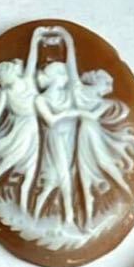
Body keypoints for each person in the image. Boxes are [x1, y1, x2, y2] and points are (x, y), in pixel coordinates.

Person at [0, 28, 42, 210]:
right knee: (15, 158)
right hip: (23, 128)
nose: (3, 79)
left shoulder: (28, 80)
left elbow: (32, 60)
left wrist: (35, 38)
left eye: (4, 75)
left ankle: (24, 204)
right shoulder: (5, 93)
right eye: (2, 78)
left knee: (32, 166)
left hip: (36, 129)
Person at [70, 69, 134, 226]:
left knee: (104, 163)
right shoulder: (81, 95)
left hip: (93, 134)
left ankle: (128, 194)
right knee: (83, 173)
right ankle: (87, 219)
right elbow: (73, 76)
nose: (106, 89)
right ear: (96, 84)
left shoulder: (104, 103)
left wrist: (71, 112)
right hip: (82, 135)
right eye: (104, 85)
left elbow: (91, 116)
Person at [33, 29, 81, 224]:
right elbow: (51, 121)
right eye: (64, 74)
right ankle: (69, 215)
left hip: (69, 138)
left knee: (53, 181)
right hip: (55, 138)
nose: (68, 77)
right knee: (64, 175)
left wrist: (67, 38)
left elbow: (73, 67)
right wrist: (71, 113)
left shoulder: (69, 95)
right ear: (56, 77)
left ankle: (35, 213)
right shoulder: (40, 100)